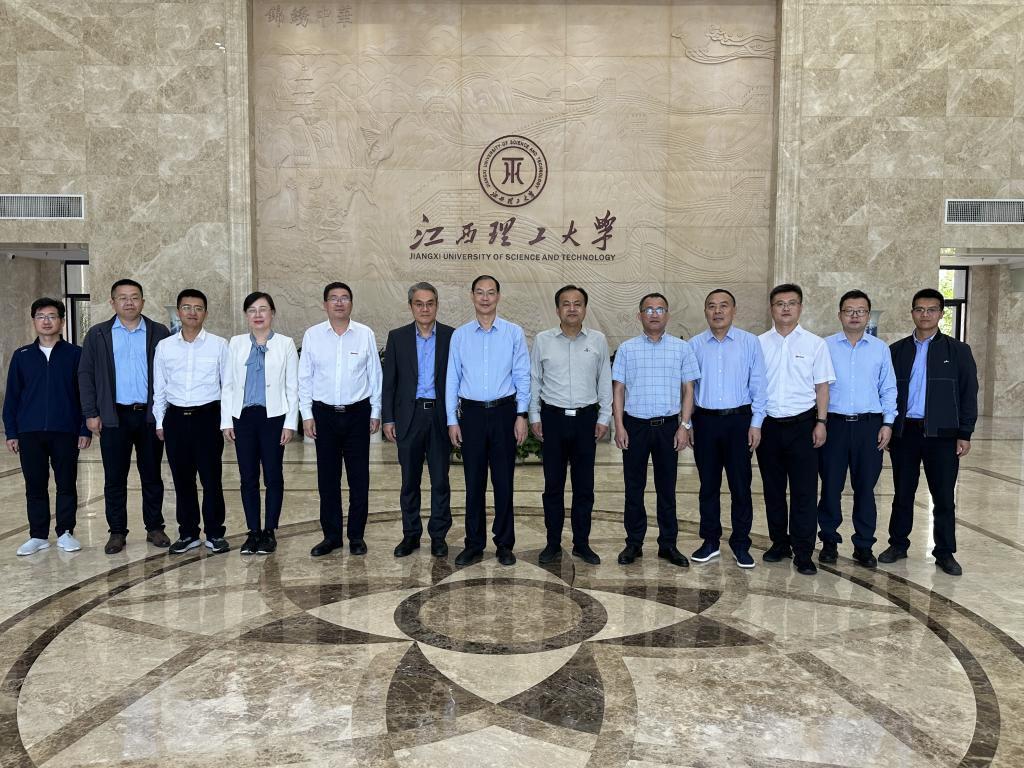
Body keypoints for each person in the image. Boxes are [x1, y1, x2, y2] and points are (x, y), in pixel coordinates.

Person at [881, 288, 978, 576]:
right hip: (906, 433)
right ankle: (898, 544)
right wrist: (889, 426)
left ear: (941, 314)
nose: (925, 315)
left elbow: (968, 393)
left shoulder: (958, 351)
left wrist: (965, 432)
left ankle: (945, 552)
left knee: (944, 497)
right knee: (903, 493)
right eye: (919, 309)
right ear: (912, 312)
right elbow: (886, 392)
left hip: (943, 435)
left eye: (931, 309)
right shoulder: (896, 351)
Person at [79, 279, 171, 554]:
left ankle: (155, 527)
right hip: (113, 416)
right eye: (123, 298)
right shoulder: (98, 334)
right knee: (115, 478)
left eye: (134, 297)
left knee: (152, 475)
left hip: (148, 416)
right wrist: (91, 413)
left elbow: (170, 372)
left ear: (143, 301)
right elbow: (85, 375)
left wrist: (165, 414)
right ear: (113, 302)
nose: (129, 302)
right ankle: (117, 532)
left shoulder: (159, 332)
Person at [446, 275, 530, 567]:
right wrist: (452, 420)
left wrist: (521, 415)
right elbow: (452, 379)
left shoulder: (513, 333)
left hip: (504, 413)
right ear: (472, 296)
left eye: (490, 292)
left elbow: (522, 375)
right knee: (474, 482)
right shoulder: (460, 336)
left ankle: (504, 544)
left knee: (504, 482)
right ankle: (474, 543)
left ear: (498, 297)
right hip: (471, 415)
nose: (485, 298)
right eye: (480, 292)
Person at [612, 292, 700, 568]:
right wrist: (619, 425)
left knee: (667, 488)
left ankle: (668, 544)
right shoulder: (627, 349)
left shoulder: (681, 348)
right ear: (639, 315)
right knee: (633, 488)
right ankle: (633, 543)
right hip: (635, 426)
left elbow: (689, 390)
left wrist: (684, 425)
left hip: (668, 427)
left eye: (659, 309)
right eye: (648, 309)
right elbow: (618, 390)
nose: (654, 314)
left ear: (667, 315)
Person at [529, 284, 611, 566]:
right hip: (552, 419)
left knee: (584, 486)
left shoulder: (598, 340)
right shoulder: (543, 340)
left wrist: (604, 417)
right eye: (566, 303)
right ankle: (552, 542)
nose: (572, 308)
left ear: (585, 309)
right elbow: (535, 379)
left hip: (586, 420)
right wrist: (534, 416)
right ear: (557, 309)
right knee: (553, 486)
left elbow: (604, 380)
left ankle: (581, 543)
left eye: (578, 303)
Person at [756, 283, 835, 575]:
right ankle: (779, 543)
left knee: (804, 492)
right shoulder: (758, 344)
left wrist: (821, 422)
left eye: (791, 303)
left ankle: (803, 552)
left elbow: (822, 387)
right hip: (768, 426)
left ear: (800, 307)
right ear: (771, 309)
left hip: (804, 426)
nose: (786, 308)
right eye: (780, 303)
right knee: (773, 490)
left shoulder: (815, 344)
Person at [300, 282, 382, 557]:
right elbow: (305, 378)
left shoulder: (364, 334)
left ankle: (356, 536)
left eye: (344, 298)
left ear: (351, 303)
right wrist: (307, 415)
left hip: (357, 414)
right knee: (328, 480)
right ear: (325, 304)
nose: (339, 303)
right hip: (323, 415)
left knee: (359, 479)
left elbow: (375, 376)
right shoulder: (312, 335)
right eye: (333, 298)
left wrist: (375, 411)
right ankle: (332, 536)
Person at [4, 298, 92, 555]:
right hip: (29, 431)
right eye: (41, 316)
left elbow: (84, 394)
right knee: (35, 485)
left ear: (61, 322)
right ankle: (38, 535)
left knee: (66, 483)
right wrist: (11, 431)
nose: (46, 321)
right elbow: (12, 397)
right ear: (34, 321)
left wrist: (84, 428)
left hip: (65, 430)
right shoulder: (22, 356)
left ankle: (66, 532)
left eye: (52, 316)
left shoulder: (75, 354)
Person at [817, 290, 897, 568]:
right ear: (839, 314)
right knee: (830, 487)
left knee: (865, 488)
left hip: (869, 426)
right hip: (834, 426)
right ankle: (829, 541)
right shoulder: (824, 346)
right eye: (849, 310)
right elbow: (816, 387)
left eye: (860, 311)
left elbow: (888, 388)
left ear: (868, 315)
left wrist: (888, 423)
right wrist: (819, 422)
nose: (854, 315)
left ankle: (864, 545)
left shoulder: (880, 349)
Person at [687, 289, 766, 569]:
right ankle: (710, 541)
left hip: (739, 422)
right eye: (711, 306)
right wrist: (688, 423)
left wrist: (756, 424)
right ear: (705, 311)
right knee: (708, 486)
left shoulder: (749, 342)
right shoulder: (694, 345)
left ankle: (741, 544)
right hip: (705, 422)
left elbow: (759, 385)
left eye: (723, 306)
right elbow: (688, 388)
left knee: (740, 486)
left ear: (734, 310)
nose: (717, 311)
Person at [153, 289, 230, 554]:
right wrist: (160, 422)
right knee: (182, 479)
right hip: (175, 418)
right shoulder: (165, 346)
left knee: (211, 479)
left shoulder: (219, 345)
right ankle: (188, 533)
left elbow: (228, 386)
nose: (192, 313)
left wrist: (226, 422)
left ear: (205, 313)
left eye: (198, 308)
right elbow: (159, 388)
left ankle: (215, 533)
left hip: (208, 418)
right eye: (187, 307)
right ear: (179, 312)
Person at [221, 292, 298, 556]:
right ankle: (253, 531)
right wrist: (226, 421)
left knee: (273, 476)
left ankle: (269, 531)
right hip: (243, 419)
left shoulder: (286, 344)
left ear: (272, 313)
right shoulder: (236, 343)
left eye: (263, 309)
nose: (258, 315)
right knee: (248, 477)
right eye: (252, 310)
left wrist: (290, 423)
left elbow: (292, 387)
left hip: (273, 418)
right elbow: (228, 385)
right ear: (246, 315)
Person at [382, 282, 454, 558]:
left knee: (440, 481)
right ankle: (410, 535)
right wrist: (388, 419)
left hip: (439, 416)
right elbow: (389, 382)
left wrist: (455, 419)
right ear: (411, 306)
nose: (425, 309)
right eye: (419, 304)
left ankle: (438, 536)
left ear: (437, 305)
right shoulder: (397, 337)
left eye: (430, 303)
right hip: (408, 418)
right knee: (409, 481)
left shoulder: (451, 336)